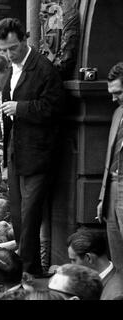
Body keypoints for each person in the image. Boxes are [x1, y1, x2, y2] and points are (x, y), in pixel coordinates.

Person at [0, 18, 65, 277]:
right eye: (3, 49)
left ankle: (23, 271)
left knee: (30, 213)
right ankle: (32, 266)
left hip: (38, 153)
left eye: (12, 48)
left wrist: (20, 108)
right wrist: (4, 160)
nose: (8, 54)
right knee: (17, 213)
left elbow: (54, 108)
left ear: (24, 39)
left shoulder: (43, 68)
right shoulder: (11, 69)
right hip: (16, 151)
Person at [97, 62, 123, 271]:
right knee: (117, 256)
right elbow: (110, 158)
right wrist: (102, 198)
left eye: (119, 93)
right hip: (113, 190)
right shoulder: (117, 115)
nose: (113, 98)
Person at [67, 229, 123, 300]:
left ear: (88, 258)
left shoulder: (116, 295)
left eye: (73, 260)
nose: (72, 266)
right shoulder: (89, 281)